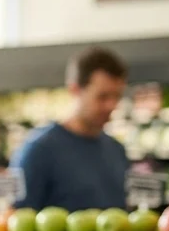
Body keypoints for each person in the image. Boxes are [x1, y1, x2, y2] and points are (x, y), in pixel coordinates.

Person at [10, 46, 130, 211]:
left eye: (117, 96)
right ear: (75, 90)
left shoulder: (117, 150)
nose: (111, 105)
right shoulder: (38, 150)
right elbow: (18, 218)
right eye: (102, 97)